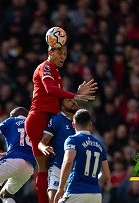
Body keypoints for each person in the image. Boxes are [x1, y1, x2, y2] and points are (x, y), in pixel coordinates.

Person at [25, 30, 97, 203]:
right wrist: (75, 96)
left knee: (52, 165)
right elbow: (49, 90)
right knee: (43, 167)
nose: (62, 56)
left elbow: (59, 100)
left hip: (50, 119)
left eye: (65, 54)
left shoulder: (57, 74)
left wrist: (75, 94)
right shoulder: (46, 67)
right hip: (38, 118)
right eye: (59, 52)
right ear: (50, 51)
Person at [54, 109, 110, 203]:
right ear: (90, 125)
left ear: (73, 125)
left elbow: (68, 162)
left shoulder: (73, 140)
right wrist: (92, 183)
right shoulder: (99, 145)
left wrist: (60, 188)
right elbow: (107, 175)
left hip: (76, 192)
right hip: (95, 195)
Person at [38, 99, 77, 203]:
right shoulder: (57, 119)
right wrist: (44, 148)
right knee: (53, 197)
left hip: (75, 168)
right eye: (69, 100)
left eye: (74, 100)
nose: (73, 102)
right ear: (62, 107)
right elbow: (42, 142)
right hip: (57, 166)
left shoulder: (80, 121)